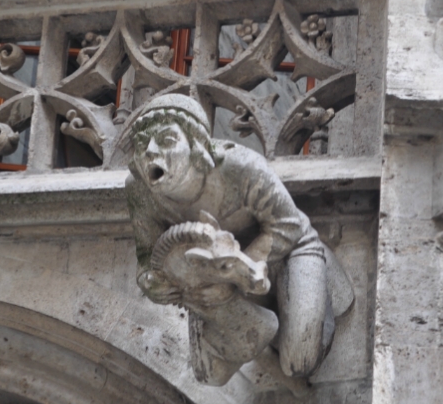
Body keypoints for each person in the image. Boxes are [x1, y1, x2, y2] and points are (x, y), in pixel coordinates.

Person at [125, 93, 351, 378]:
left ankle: (311, 284)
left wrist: (239, 268)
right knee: (210, 375)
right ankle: (262, 327)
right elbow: (147, 255)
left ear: (196, 145)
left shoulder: (240, 167)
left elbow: (288, 226)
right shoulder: (140, 191)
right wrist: (152, 282)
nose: (149, 151)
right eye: (141, 144)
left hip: (287, 249)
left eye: (167, 140)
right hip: (213, 273)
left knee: (300, 361)